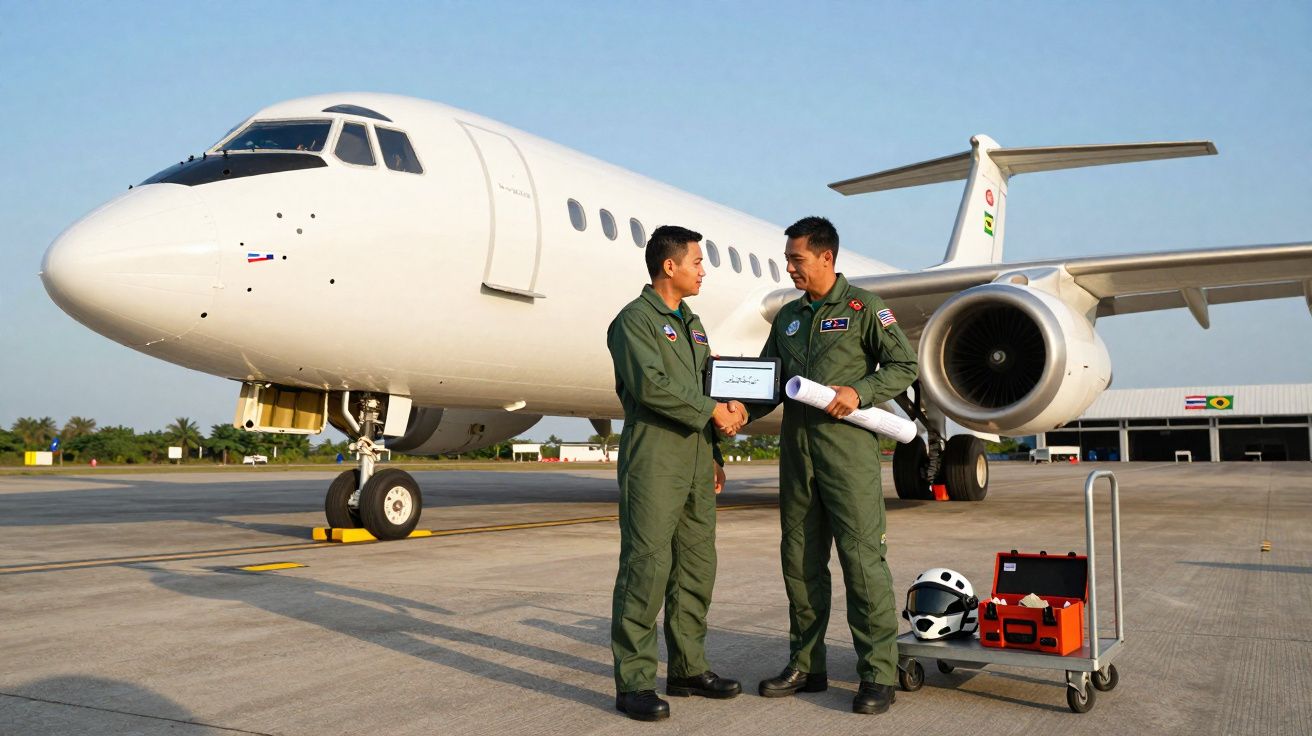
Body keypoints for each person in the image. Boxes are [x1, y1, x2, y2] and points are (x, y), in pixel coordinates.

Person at [747, 216, 918, 715]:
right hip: (797, 458)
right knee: (800, 565)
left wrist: (859, 392)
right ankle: (807, 664)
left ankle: (877, 673)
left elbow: (904, 366)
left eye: (796, 259)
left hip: (848, 456)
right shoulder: (788, 317)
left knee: (863, 565)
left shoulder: (867, 309)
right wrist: (737, 410)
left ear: (827, 257)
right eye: (788, 259)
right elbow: (770, 380)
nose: (789, 267)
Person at [606, 224, 746, 722]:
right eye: (697, 262)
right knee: (646, 567)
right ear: (670, 266)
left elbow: (707, 379)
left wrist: (721, 435)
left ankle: (688, 668)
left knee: (695, 567)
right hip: (655, 460)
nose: (703, 270)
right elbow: (652, 386)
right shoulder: (634, 321)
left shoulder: (693, 323)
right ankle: (635, 682)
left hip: (694, 460)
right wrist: (712, 410)